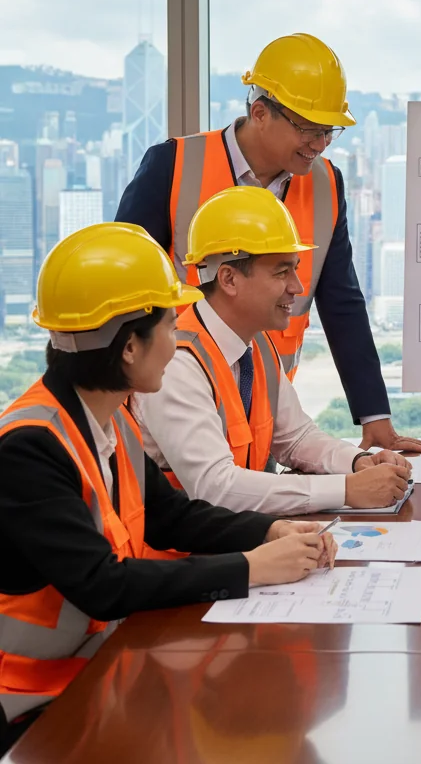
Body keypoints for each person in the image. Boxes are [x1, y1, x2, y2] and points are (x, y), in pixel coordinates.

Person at [0, 222, 337, 754]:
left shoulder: (109, 419)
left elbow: (174, 517)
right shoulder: (29, 449)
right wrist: (251, 567)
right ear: (129, 348)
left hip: (105, 674)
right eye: (168, 325)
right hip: (34, 710)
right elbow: (102, 585)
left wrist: (268, 530)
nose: (176, 340)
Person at [116, 31, 421, 454]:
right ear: (260, 112)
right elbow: (124, 289)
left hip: (263, 409)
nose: (319, 144)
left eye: (329, 131)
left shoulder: (326, 185)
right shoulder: (174, 165)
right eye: (308, 129)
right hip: (169, 407)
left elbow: (342, 302)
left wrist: (374, 415)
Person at [135, 185, 411, 514]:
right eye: (282, 272)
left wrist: (357, 462)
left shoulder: (257, 345)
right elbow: (216, 488)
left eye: (295, 268)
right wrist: (347, 490)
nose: (298, 286)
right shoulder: (177, 365)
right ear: (229, 279)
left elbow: (295, 438)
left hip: (233, 534)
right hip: (178, 544)